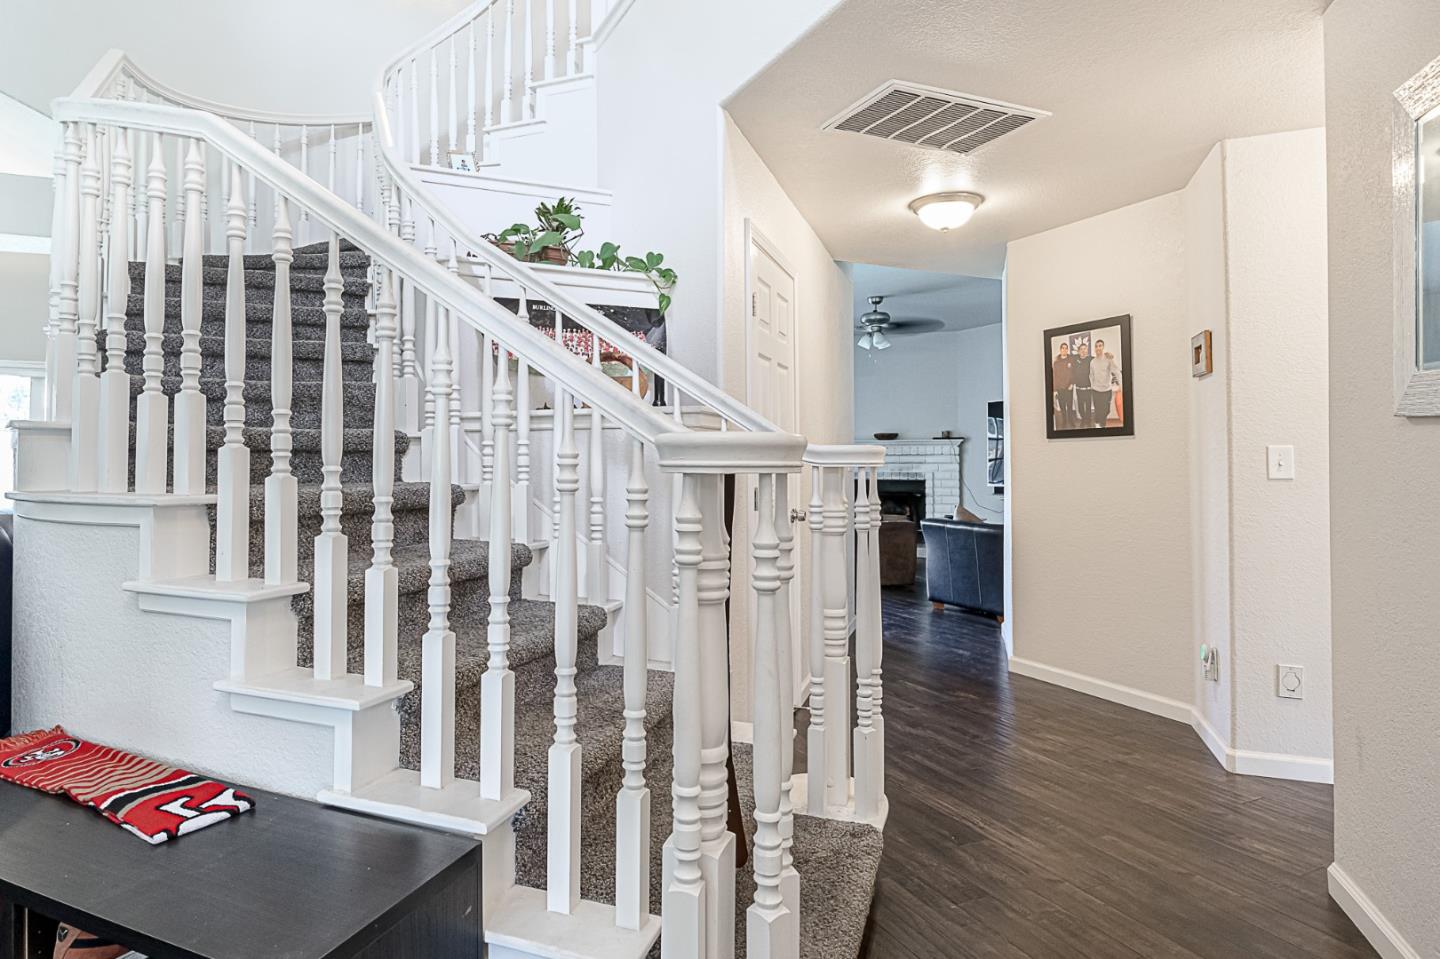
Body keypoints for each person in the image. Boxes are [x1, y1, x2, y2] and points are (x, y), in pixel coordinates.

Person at [1089, 338, 1122, 427]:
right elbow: (1091, 375)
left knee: (1106, 411)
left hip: (1106, 391)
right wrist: (1092, 385)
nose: (1098, 348)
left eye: (1100, 346)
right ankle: (1099, 425)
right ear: (1095, 348)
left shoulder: (1108, 359)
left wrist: (1121, 385)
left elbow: (1116, 371)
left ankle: (1100, 423)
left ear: (1103, 347)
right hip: (1096, 391)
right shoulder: (1092, 362)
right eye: (1096, 346)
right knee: (1098, 410)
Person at [1050, 341, 1077, 429]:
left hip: (1069, 387)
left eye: (1066, 348)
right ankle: (1064, 421)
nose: (1064, 350)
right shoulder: (1056, 362)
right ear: (1060, 350)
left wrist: (1072, 383)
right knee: (1062, 407)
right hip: (1060, 388)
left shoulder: (1071, 360)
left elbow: (1074, 373)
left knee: (1069, 406)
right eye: (1063, 348)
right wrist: (1055, 389)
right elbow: (1054, 376)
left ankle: (1071, 421)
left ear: (1067, 350)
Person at [1072, 340, 1094, 430]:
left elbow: (1100, 358)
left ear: (1087, 350)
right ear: (1078, 351)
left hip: (1088, 388)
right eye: (1081, 349)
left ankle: (1088, 420)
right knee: (1080, 405)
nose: (1083, 351)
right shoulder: (1075, 359)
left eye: (1085, 349)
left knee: (1088, 405)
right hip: (1078, 388)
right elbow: (1065, 357)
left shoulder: (1091, 359)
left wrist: (1108, 355)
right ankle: (1083, 419)